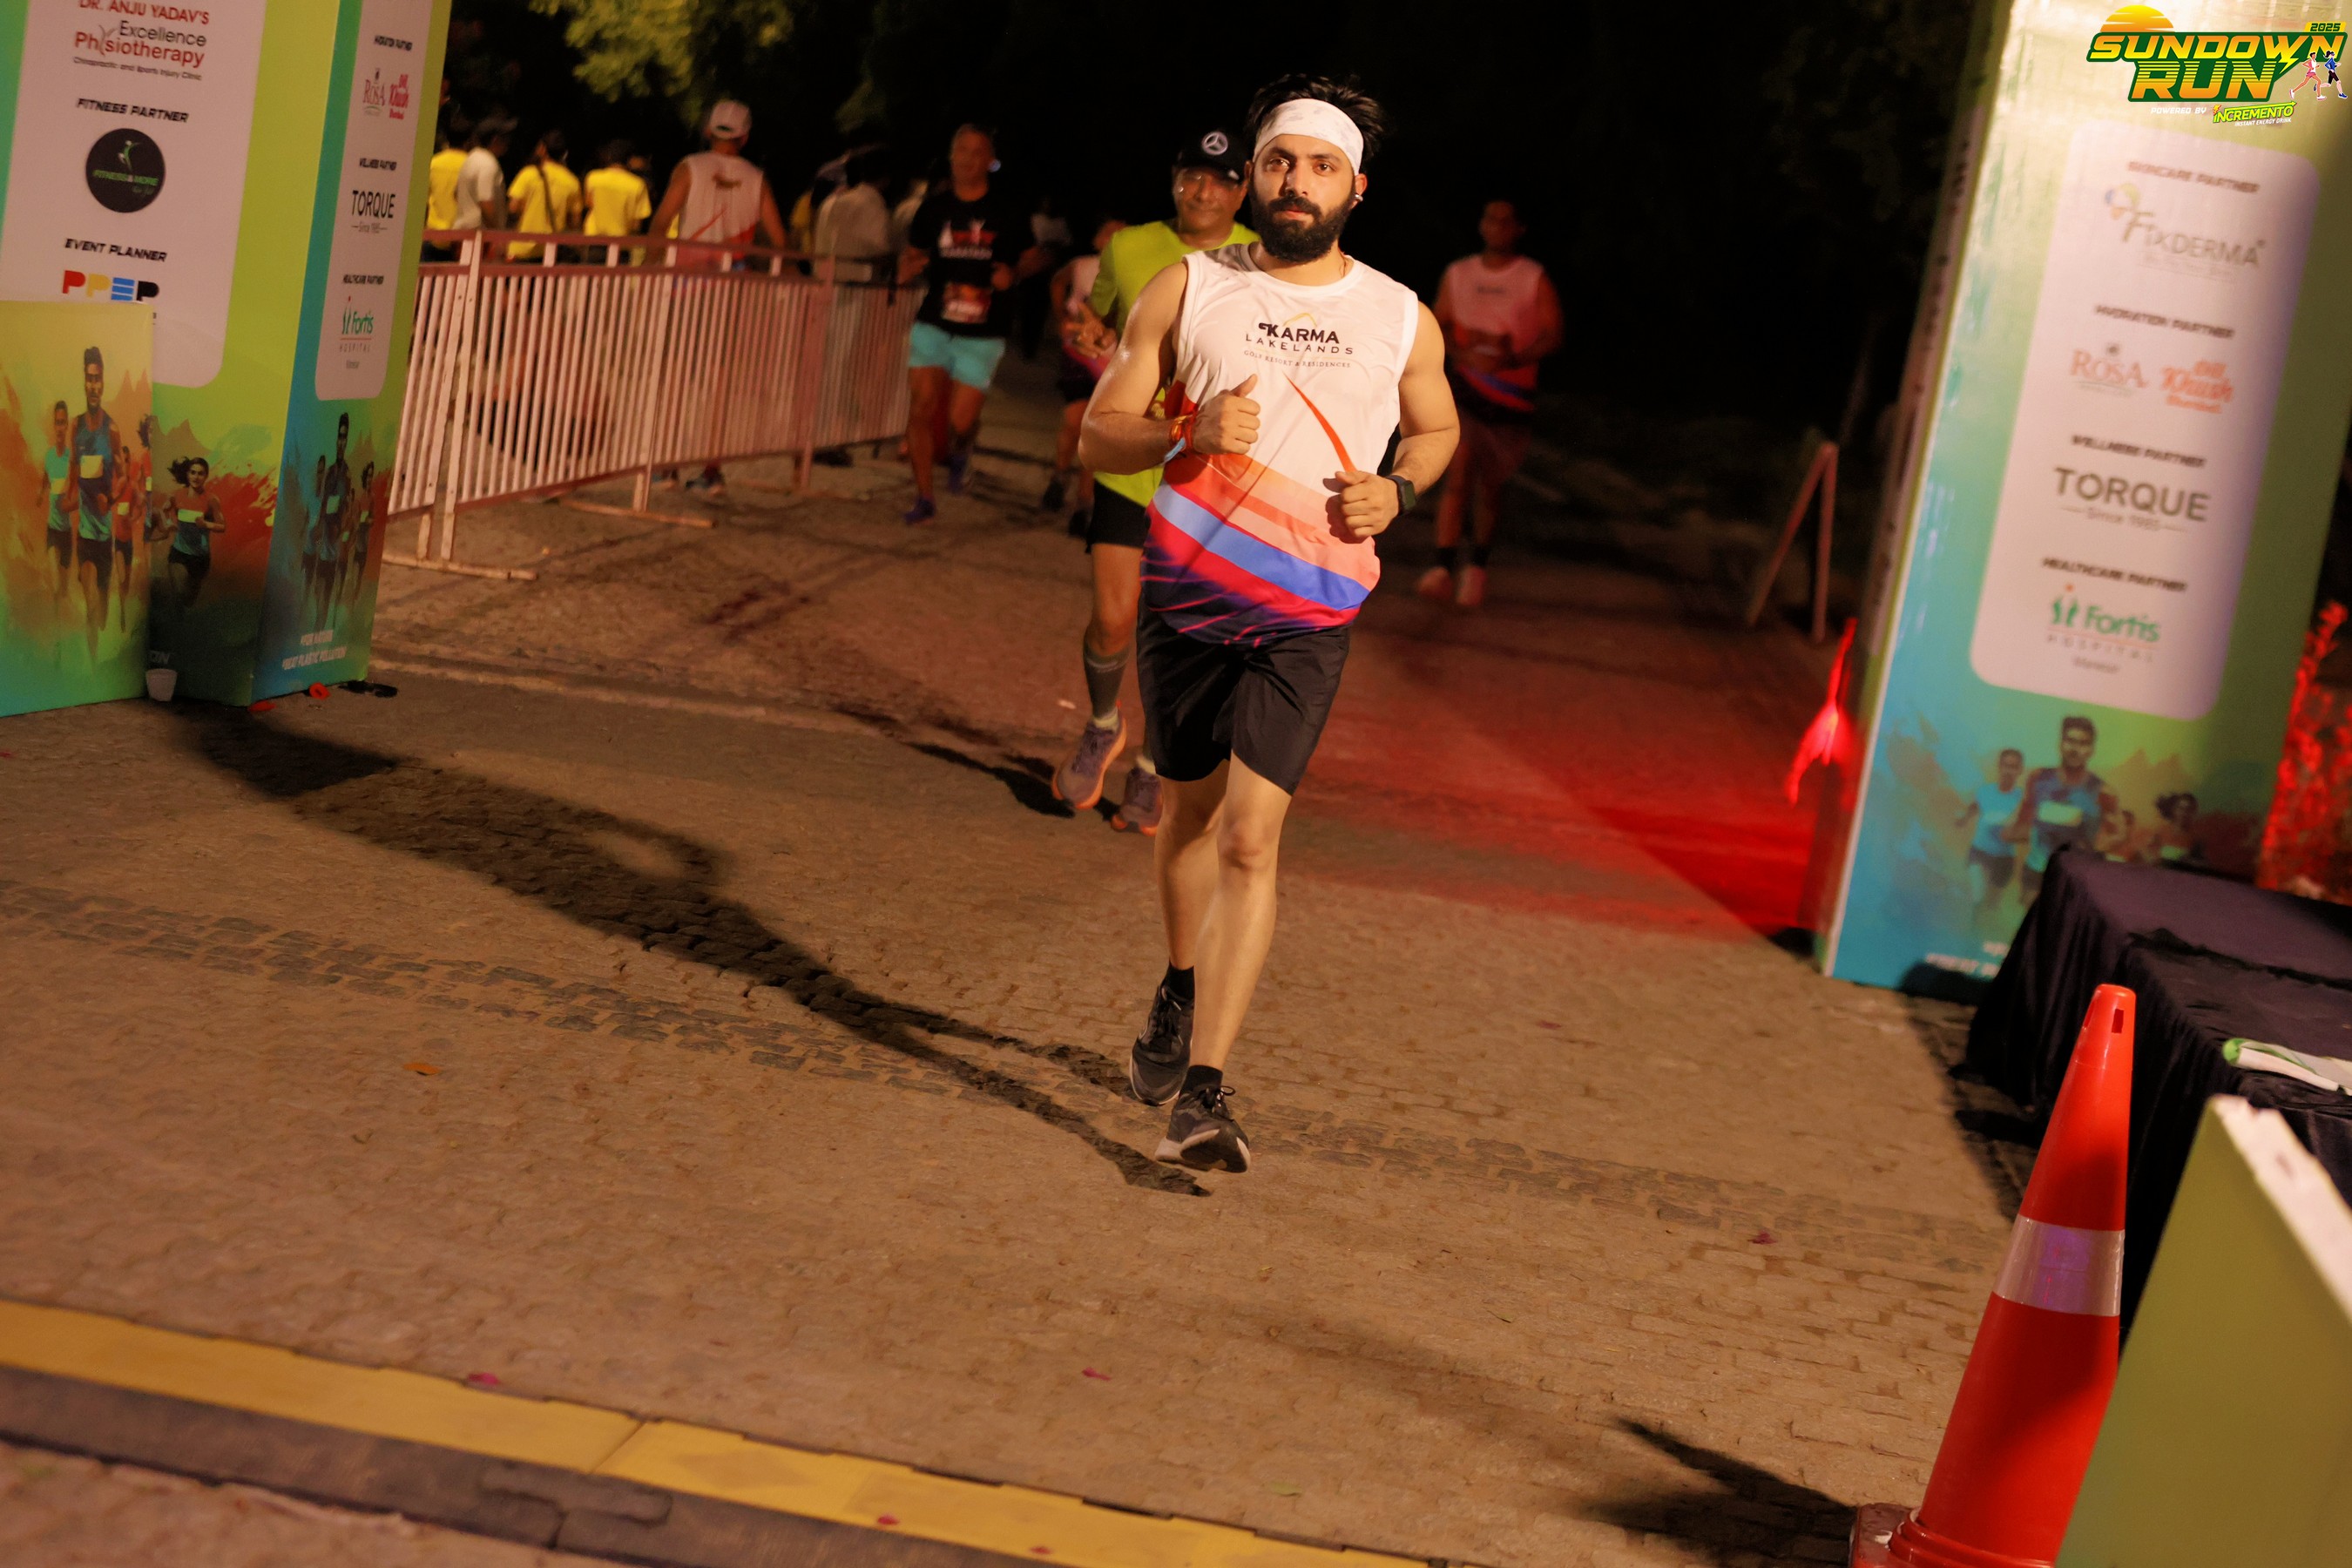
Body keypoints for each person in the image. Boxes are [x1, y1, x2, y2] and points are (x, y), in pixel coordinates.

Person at [1078, 75, 1458, 1173]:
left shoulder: (1400, 314)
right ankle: (1178, 985)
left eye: (1322, 167)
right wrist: (1182, 431)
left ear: (1356, 188)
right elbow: (1099, 434)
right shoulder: (1188, 287)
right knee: (1189, 817)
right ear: (1253, 176)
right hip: (1190, 602)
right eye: (1281, 162)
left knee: (1252, 836)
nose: (1298, 182)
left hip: (1309, 615)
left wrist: (1401, 489)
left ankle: (1203, 1091)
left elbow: (1436, 430)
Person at [1051, 131, 1256, 835]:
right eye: (1193, 176)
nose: (1204, 192)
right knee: (1113, 619)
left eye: (1221, 181)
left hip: (1211, 480)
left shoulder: (1265, 258)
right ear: (1174, 180)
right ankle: (1102, 725)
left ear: (1243, 191)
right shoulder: (1131, 247)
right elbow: (1101, 329)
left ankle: (1151, 763)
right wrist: (1088, 339)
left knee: (1182, 633)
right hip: (1135, 459)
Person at [896, 125, 1048, 525]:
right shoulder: (933, 209)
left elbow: (1037, 257)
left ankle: (964, 448)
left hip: (984, 331)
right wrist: (908, 267)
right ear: (951, 157)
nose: (967, 158)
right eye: (960, 150)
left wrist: (1014, 274)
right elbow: (912, 254)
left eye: (976, 152)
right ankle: (924, 497)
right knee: (921, 409)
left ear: (990, 161)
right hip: (934, 322)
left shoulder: (1007, 210)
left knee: (959, 422)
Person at [1419, 199, 1561, 611]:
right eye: (1490, 219)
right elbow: (1439, 322)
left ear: (1518, 228)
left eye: (1505, 221)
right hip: (1465, 388)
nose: (1496, 227)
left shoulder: (1533, 277)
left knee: (1490, 483)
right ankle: (1442, 567)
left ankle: (1477, 567)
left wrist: (1512, 360)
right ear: (1482, 225)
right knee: (1459, 472)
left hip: (1510, 394)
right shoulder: (1460, 273)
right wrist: (1461, 354)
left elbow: (1553, 333)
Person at [648, 101, 788, 497]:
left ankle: (667, 466)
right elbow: (779, 241)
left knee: (676, 374)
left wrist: (650, 267)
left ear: (708, 131)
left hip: (687, 287)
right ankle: (712, 471)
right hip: (733, 290)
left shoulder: (690, 168)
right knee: (720, 379)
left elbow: (661, 222)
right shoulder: (758, 179)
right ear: (745, 137)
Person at [1044, 218, 1126, 532]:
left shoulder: (1134, 274)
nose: (1113, 239)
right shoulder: (1081, 266)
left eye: (1122, 235)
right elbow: (1057, 282)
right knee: (1073, 421)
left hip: (1114, 363)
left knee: (1095, 434)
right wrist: (1061, 318)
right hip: (1078, 356)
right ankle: (1059, 476)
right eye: (1108, 233)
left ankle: (1083, 504)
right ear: (1097, 239)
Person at [2010, 715, 2114, 906]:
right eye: (2070, 741)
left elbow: (2117, 834)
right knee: (2031, 919)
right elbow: (2023, 819)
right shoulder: (2039, 778)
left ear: (2091, 750)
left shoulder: (2102, 791)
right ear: (2061, 744)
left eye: (2083, 743)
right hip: (2036, 869)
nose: (2075, 749)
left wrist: (2093, 847)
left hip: (2074, 877)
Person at [71, 347, 123, 649]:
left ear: (103, 383)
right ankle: (93, 668)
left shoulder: (112, 430)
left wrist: (110, 500)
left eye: (98, 378)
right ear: (84, 381)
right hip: (84, 536)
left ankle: (101, 647)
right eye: (89, 378)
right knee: (90, 604)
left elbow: (123, 478)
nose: (93, 385)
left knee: (102, 612)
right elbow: (73, 471)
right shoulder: (76, 426)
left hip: (104, 538)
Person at [1956, 748, 2024, 916]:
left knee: (1992, 904)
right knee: (1977, 896)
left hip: (2004, 858)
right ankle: (1973, 923)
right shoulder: (1985, 791)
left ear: (2020, 770)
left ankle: (1985, 924)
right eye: (2006, 765)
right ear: (1999, 767)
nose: (2008, 771)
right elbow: (1975, 806)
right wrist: (1964, 818)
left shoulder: (2022, 799)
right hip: (1979, 851)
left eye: (2014, 767)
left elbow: (2026, 825)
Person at [154, 455, 226, 609]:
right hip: (179, 552)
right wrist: (168, 523)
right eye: (193, 472)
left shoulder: (211, 500)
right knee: (179, 593)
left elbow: (222, 526)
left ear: (206, 476)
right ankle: (175, 617)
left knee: (189, 600)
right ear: (187, 474)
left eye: (200, 473)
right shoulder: (177, 495)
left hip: (200, 557)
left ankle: (181, 614)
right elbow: (164, 512)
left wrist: (205, 524)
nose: (196, 477)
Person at [814, 149, 894, 281]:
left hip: (822, 283)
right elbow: (880, 253)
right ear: (887, 178)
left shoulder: (830, 202)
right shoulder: (872, 205)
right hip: (854, 287)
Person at [506, 129, 583, 260]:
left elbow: (513, 208)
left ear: (542, 150)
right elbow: (575, 222)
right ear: (564, 154)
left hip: (521, 249)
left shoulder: (528, 174)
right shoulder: (572, 182)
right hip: (551, 252)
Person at [583, 139, 652, 259]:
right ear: (629, 160)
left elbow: (589, 204)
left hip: (595, 241)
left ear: (609, 156)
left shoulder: (593, 178)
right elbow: (637, 224)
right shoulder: (638, 185)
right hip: (622, 246)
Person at [450, 117, 512, 235]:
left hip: (462, 233)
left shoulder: (471, 158)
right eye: (505, 138)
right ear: (495, 140)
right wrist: (496, 235)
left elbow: (455, 194)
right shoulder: (488, 164)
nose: (508, 142)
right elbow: (485, 203)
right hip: (480, 237)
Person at [44, 400, 74, 603]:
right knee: (55, 586)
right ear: (54, 426)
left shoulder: (72, 459)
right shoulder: (48, 457)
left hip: (66, 533)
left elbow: (76, 491)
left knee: (63, 589)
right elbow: (45, 477)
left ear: (67, 425)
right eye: (57, 422)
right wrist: (41, 493)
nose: (60, 427)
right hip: (52, 531)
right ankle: (55, 617)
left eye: (63, 422)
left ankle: (60, 616)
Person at [426, 124, 467, 255]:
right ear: (469, 141)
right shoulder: (470, 164)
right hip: (461, 239)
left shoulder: (434, 163)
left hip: (433, 234)